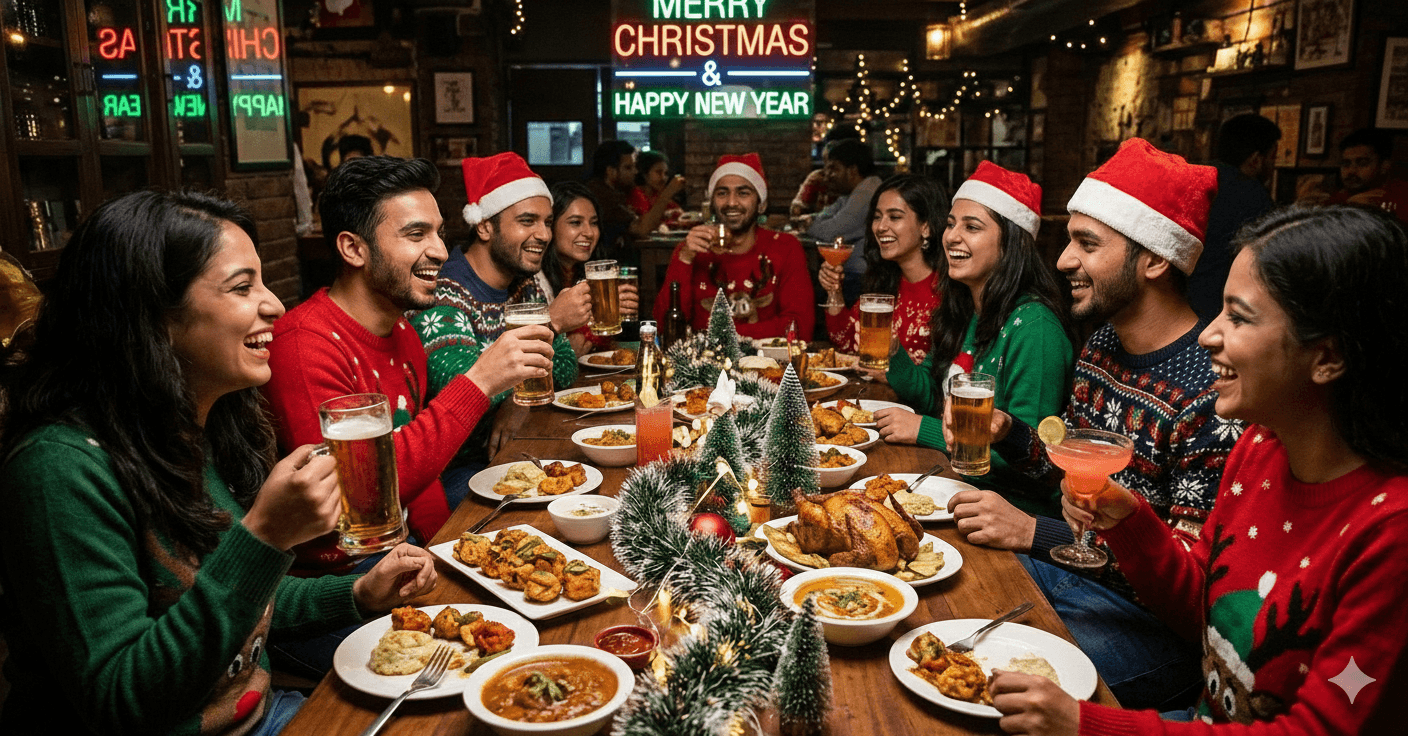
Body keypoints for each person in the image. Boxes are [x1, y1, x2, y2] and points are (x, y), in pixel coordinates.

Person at [0, 190, 437, 735]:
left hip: (262, 714)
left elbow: (230, 599)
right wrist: (264, 538)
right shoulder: (58, 470)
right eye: (241, 286)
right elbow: (119, 699)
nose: (275, 303)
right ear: (152, 315)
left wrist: (356, 592)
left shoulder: (193, 430)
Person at [990, 205, 1408, 735]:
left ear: (1326, 357)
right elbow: (1198, 610)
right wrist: (1129, 520)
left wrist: (1088, 726)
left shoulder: (1389, 532)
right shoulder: (1260, 449)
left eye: (1238, 316)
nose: (1208, 334)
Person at [942, 139, 1240, 711]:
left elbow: (1188, 588)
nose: (1062, 261)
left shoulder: (1211, 392)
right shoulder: (1102, 344)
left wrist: (1036, 532)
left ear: (1154, 260)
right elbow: (1072, 464)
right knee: (947, 614)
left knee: (983, 686)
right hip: (1071, 581)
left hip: (1147, 630)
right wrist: (1009, 431)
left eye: (1087, 244)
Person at [263, 156, 553, 575]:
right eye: (416, 234)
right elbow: (358, 495)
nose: (438, 250)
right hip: (338, 577)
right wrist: (479, 382)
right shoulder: (303, 346)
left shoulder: (404, 335)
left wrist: (452, 555)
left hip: (404, 557)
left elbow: (420, 485)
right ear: (353, 249)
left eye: (438, 232)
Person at [876, 162, 1074, 516]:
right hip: (955, 486)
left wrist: (925, 430)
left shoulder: (1034, 328)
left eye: (972, 226)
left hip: (1010, 512)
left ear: (1012, 241)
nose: (951, 236)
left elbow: (1032, 462)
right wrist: (893, 353)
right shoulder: (965, 309)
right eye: (951, 224)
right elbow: (931, 393)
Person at [411, 152, 583, 493]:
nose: (544, 235)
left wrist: (516, 403)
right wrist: (551, 325)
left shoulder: (524, 283)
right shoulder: (443, 291)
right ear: (485, 226)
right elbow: (458, 384)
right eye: (527, 221)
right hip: (457, 470)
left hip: (519, 448)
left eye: (547, 222)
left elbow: (563, 364)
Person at [652, 152, 815, 340]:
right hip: (703, 367)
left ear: (761, 205)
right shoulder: (690, 249)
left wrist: (720, 337)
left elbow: (800, 326)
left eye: (743, 193)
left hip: (770, 366)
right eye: (722, 193)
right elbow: (665, 327)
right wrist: (685, 259)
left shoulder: (786, 247)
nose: (731, 202)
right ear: (712, 203)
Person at [818, 173, 946, 365]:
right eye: (877, 217)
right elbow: (845, 344)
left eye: (894, 217)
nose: (880, 227)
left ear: (925, 227)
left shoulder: (947, 292)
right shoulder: (883, 283)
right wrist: (834, 291)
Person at [1187, 114, 1280, 321]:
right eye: (1273, 158)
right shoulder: (1253, 196)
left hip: (1174, 305)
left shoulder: (1192, 179)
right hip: (1217, 309)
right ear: (1256, 159)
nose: (1273, 166)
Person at [536, 180, 640, 356]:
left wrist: (612, 313)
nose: (590, 233)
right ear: (550, 226)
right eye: (575, 223)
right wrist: (589, 328)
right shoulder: (535, 281)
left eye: (594, 223)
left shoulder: (589, 273)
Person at [803, 138, 884, 306]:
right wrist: (814, 221)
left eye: (834, 168)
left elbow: (830, 231)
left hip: (861, 279)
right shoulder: (850, 193)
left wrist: (810, 222)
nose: (828, 175)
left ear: (852, 170)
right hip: (849, 275)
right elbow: (823, 217)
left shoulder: (868, 192)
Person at [587, 140, 685, 257]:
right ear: (611, 171)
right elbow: (642, 229)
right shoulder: (602, 197)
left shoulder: (611, 193)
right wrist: (668, 192)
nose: (635, 171)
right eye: (628, 168)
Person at [1325, 128, 1408, 225]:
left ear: (1384, 166)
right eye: (1346, 164)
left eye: (1362, 163)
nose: (1351, 171)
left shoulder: (1403, 194)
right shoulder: (1339, 199)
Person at [628, 150, 684, 224]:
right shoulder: (636, 194)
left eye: (666, 173)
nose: (664, 178)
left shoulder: (657, 194)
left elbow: (681, 214)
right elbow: (646, 222)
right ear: (645, 174)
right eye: (658, 172)